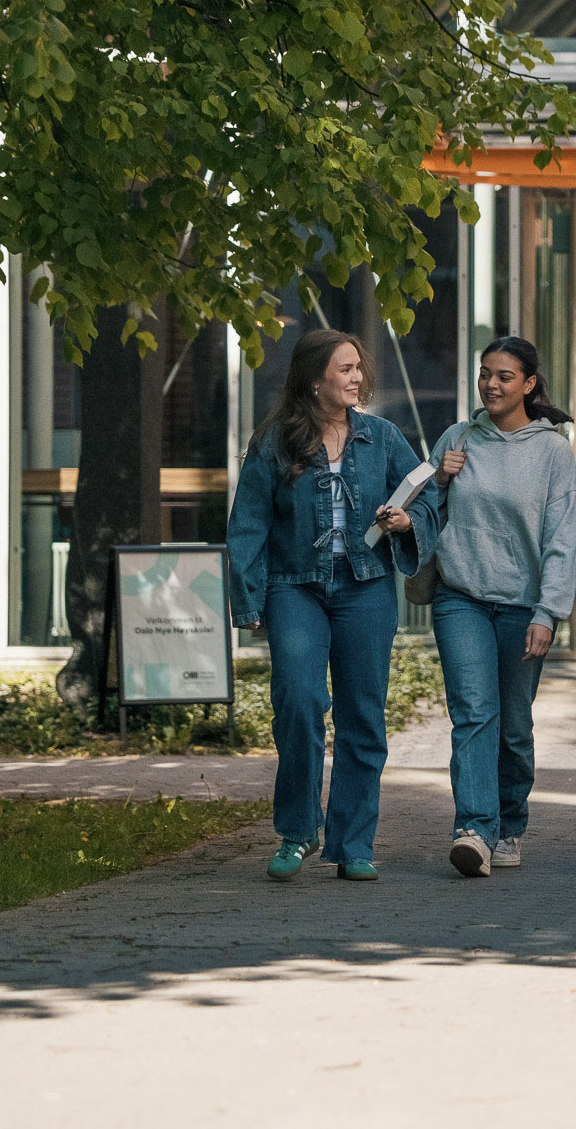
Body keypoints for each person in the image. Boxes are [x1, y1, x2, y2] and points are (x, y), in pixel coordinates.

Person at [228, 329, 431, 883]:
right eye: (346, 369)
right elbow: (248, 523)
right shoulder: (274, 441)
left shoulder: (383, 437)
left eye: (358, 369)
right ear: (315, 378)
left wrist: (405, 521)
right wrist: (247, 597)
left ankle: (353, 843)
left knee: (363, 715)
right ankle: (298, 832)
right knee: (297, 700)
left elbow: (425, 494)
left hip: (365, 587)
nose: (358, 378)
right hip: (295, 586)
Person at [412, 337, 576, 878]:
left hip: (522, 606)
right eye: (485, 373)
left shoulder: (552, 449)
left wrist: (548, 611)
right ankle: (474, 828)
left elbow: (562, 536)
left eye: (504, 376)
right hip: (460, 597)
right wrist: (440, 479)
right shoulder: (458, 438)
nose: (491, 384)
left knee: (513, 725)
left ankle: (510, 823)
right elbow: (417, 513)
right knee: (473, 713)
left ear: (529, 384)